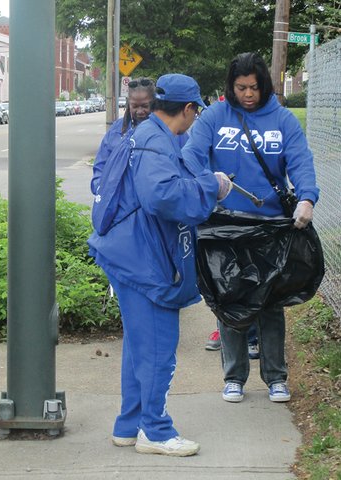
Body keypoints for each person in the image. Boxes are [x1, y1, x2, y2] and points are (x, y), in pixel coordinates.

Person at [88, 74, 232, 457]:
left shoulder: (145, 134)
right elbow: (162, 196)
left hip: (127, 252)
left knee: (139, 345)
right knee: (157, 348)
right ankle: (155, 430)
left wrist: (203, 180)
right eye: (196, 111)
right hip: (143, 260)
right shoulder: (156, 142)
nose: (195, 119)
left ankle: (128, 424)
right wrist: (211, 188)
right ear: (187, 109)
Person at [182, 52, 319, 404]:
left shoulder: (283, 120)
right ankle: (234, 377)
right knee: (230, 299)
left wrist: (306, 198)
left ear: (264, 85)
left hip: (271, 225)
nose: (248, 94)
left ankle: (276, 377)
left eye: (254, 88)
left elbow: (300, 160)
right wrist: (206, 182)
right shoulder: (215, 116)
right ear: (232, 86)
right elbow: (193, 154)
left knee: (270, 302)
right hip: (225, 224)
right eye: (241, 88)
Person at [90, 78, 156, 194]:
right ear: (128, 104)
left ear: (154, 103)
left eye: (145, 106)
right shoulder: (117, 129)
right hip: (118, 206)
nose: (140, 111)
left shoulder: (165, 129)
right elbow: (101, 165)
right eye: (134, 106)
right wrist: (101, 189)